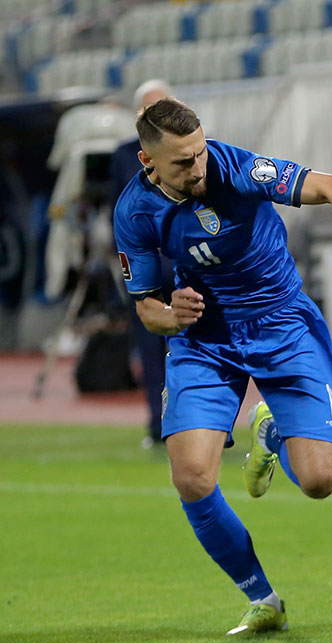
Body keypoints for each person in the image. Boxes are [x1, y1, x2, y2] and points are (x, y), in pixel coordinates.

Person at [113, 97, 332, 635]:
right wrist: (172, 315)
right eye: (183, 162)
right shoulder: (134, 212)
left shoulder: (235, 167)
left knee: (319, 482)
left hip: (281, 323)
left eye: (199, 152)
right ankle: (263, 598)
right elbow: (145, 305)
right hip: (204, 340)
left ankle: (271, 431)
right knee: (191, 477)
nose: (199, 166)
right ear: (149, 162)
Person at [109, 79, 174, 448]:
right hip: (144, 259)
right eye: (150, 107)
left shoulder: (192, 151)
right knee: (150, 347)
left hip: (184, 259)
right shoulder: (121, 155)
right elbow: (115, 213)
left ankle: (209, 427)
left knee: (199, 342)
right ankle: (157, 425)